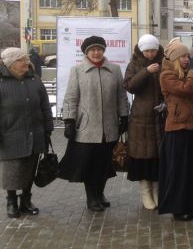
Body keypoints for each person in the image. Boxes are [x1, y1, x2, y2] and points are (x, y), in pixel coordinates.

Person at [59, 36, 129, 212]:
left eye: (99, 49)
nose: (96, 53)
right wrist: (69, 120)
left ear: (104, 51)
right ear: (86, 52)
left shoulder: (114, 70)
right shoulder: (78, 70)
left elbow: (121, 96)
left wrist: (124, 117)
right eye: (92, 50)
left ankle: (100, 193)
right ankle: (92, 198)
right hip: (87, 128)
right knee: (90, 166)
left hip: (109, 127)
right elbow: (71, 98)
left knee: (105, 164)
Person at [158, 40, 193, 221]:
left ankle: (191, 202)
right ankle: (178, 207)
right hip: (177, 128)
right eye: (182, 56)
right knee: (178, 171)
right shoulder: (166, 75)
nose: (186, 60)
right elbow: (186, 89)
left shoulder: (188, 74)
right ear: (174, 58)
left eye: (187, 56)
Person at [0, 48, 53, 218]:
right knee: (13, 170)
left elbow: (45, 105)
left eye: (26, 59)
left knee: (30, 169)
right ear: (10, 64)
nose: (26, 62)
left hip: (35, 133)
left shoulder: (35, 80)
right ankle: (11, 202)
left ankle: (26, 201)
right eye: (21, 60)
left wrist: (48, 128)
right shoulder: (1, 82)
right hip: (10, 135)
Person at [123, 34, 164, 210]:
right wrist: (146, 72)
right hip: (141, 116)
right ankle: (145, 192)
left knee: (158, 156)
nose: (150, 54)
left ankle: (157, 191)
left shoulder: (164, 61)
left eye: (153, 50)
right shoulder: (134, 64)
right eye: (147, 51)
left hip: (161, 115)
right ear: (141, 50)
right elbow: (130, 85)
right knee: (143, 156)